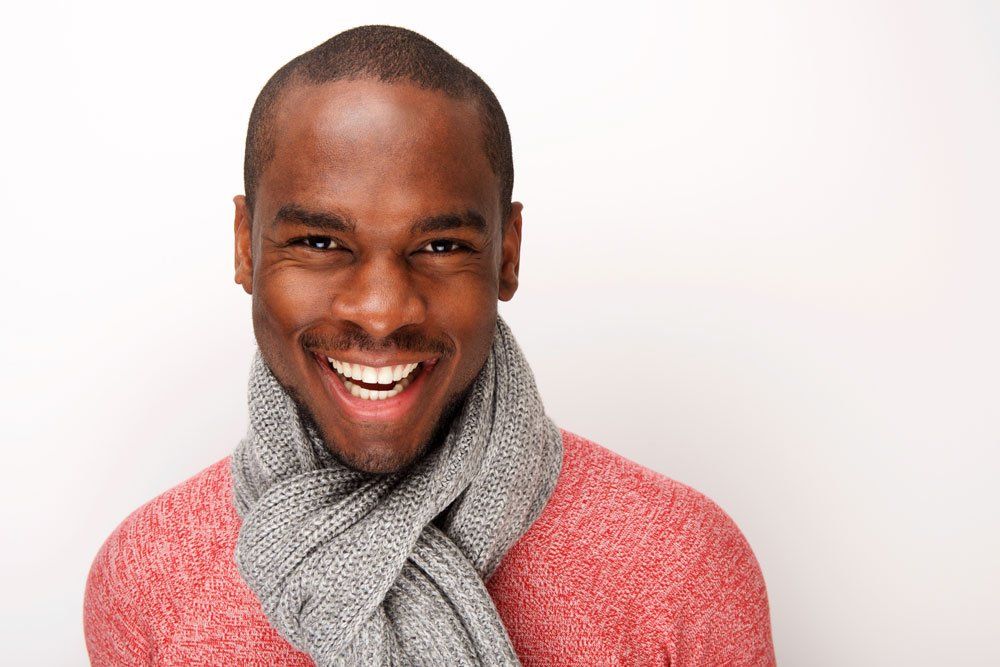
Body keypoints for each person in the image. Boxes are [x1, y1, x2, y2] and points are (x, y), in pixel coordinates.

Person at [83, 25, 775, 666]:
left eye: (440, 245)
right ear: (245, 246)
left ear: (507, 254)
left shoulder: (683, 565)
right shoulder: (147, 581)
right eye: (321, 243)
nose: (382, 312)